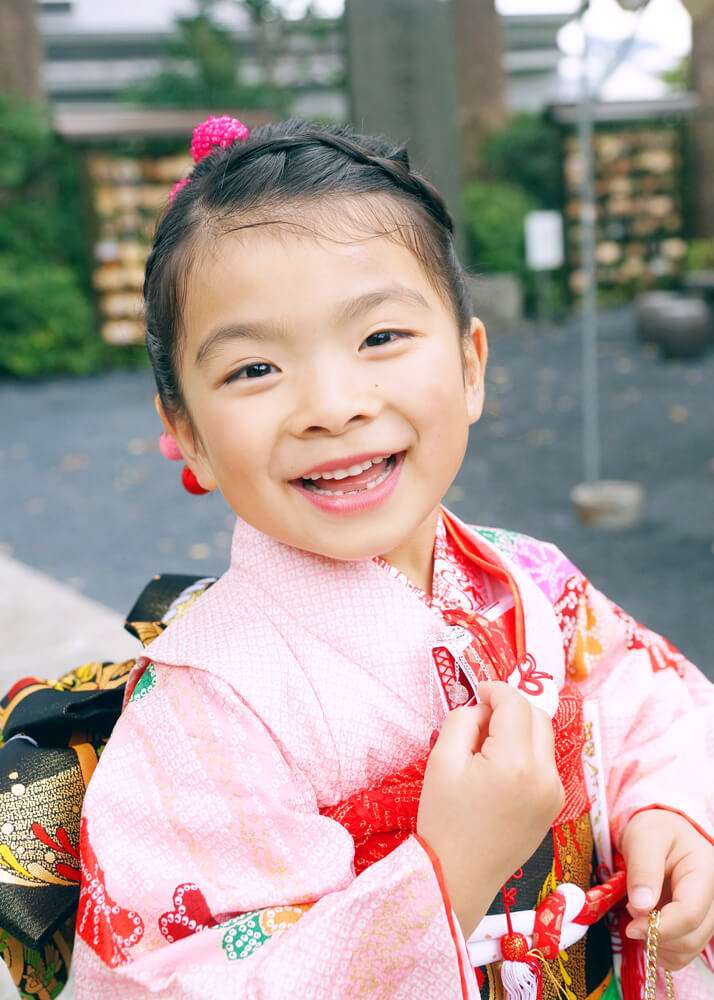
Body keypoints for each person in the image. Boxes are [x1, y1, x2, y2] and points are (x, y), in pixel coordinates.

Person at [65, 116, 712, 998]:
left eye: (379, 339)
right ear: (188, 437)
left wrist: (669, 813)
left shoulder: (533, 581)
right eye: (254, 369)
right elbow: (172, 981)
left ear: (472, 364)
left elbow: (654, 706)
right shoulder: (207, 707)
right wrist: (443, 876)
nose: (332, 406)